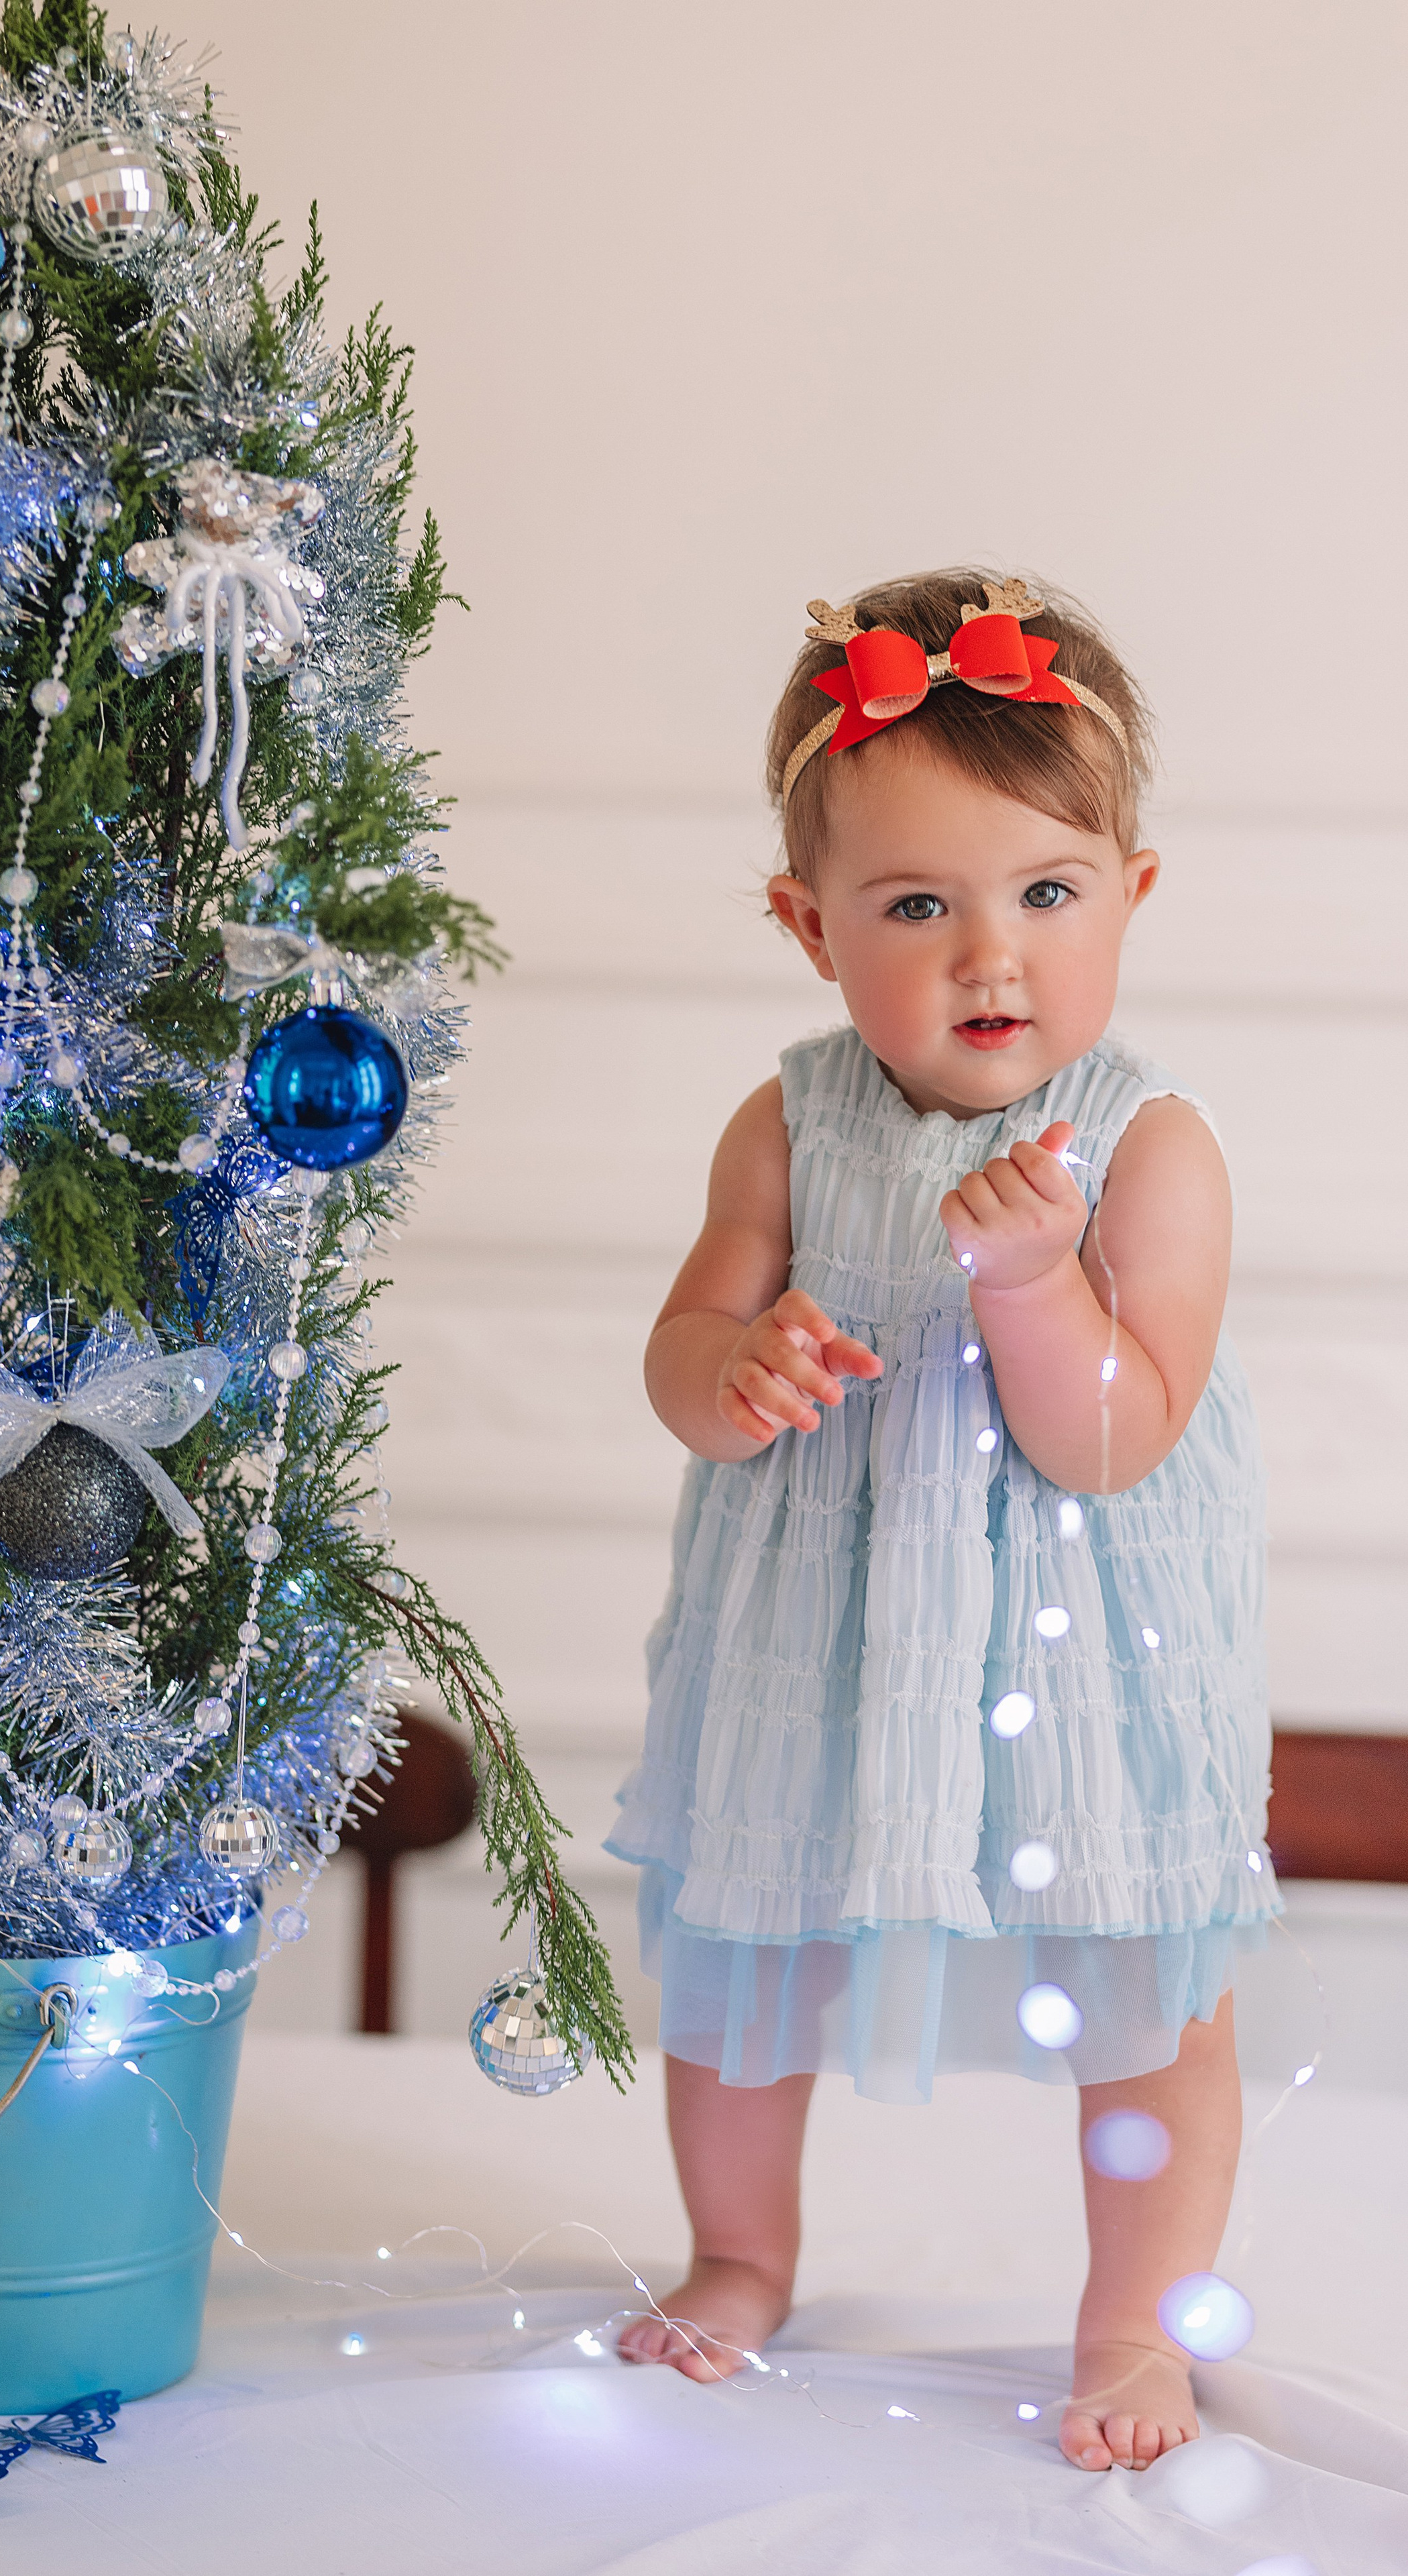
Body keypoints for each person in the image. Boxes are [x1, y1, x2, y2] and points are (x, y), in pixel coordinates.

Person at [606, 570, 1276, 2473]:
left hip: (1078, 1667)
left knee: (1152, 2004)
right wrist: (735, 1362)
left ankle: (1134, 2323)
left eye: (1047, 895)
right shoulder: (786, 1125)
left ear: (1131, 896)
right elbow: (676, 1347)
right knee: (744, 1975)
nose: (994, 955)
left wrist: (1039, 1287)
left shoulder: (1151, 1146)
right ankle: (739, 2254)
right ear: (811, 928)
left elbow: (1114, 1441)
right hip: (822, 1649)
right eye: (918, 907)